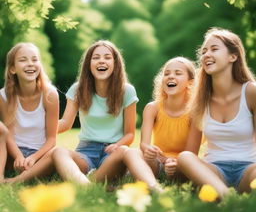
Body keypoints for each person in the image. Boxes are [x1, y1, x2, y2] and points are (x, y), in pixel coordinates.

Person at [53, 40, 161, 190]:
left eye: (107, 57)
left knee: (126, 151)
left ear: (115, 63)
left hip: (112, 153)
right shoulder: (78, 89)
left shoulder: (127, 91)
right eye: (96, 57)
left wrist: (117, 145)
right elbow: (65, 123)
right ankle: (87, 186)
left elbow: (130, 134)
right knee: (59, 152)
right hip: (85, 152)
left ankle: (155, 189)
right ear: (88, 64)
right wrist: (38, 128)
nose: (101, 60)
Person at [178, 27, 256, 198]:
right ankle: (227, 197)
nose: (206, 55)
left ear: (233, 56)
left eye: (214, 49)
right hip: (214, 171)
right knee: (184, 157)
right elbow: (190, 153)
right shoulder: (200, 99)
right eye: (204, 51)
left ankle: (221, 196)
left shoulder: (251, 92)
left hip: (249, 169)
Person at [0, 42, 59, 182]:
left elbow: (52, 139)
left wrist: (33, 158)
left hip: (39, 154)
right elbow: (8, 135)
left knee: (56, 156)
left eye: (34, 59)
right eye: (23, 60)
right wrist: (19, 156)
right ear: (12, 69)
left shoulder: (50, 95)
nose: (30, 63)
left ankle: (20, 178)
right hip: (12, 153)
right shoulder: (4, 96)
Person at [140, 57, 196, 180]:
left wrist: (175, 163)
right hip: (157, 161)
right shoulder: (152, 108)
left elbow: (192, 154)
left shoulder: (194, 113)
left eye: (178, 73)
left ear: (190, 82)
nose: (170, 76)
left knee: (186, 169)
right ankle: (149, 177)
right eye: (166, 73)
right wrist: (149, 151)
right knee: (137, 156)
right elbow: (144, 144)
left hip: (182, 165)